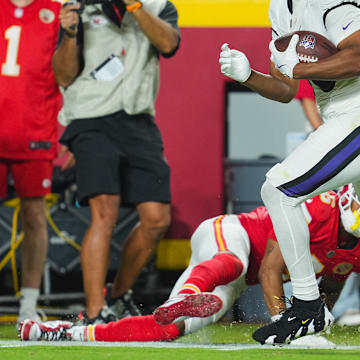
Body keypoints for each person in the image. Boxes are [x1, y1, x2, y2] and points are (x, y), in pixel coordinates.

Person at [18, 187, 360, 343]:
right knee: (235, 263)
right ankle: (190, 295)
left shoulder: (352, 244)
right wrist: (282, 325)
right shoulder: (316, 209)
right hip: (230, 233)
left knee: (168, 329)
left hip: (235, 276)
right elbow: (269, 270)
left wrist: (316, 322)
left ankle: (63, 332)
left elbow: (332, 278)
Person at [219, 0, 360, 345]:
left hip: (355, 111)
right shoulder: (279, 9)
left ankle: (309, 305)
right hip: (340, 115)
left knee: (280, 190)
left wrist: (297, 70)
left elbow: (357, 57)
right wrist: (249, 75)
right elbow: (285, 88)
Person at [53, 0, 180, 324]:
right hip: (91, 118)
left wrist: (135, 6)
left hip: (139, 119)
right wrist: (69, 33)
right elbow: (64, 76)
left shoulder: (159, 6)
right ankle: (95, 312)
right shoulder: (79, 8)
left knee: (156, 220)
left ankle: (118, 295)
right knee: (104, 211)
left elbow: (168, 44)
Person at [0, 0, 62, 323]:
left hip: (35, 129)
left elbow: (66, 71)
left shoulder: (54, 12)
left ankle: (28, 304)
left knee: (35, 215)